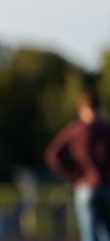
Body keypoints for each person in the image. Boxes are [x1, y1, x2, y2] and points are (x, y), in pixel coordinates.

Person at [45, 87, 110, 241]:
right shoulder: (106, 130)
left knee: (89, 236)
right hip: (107, 188)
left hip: (85, 188)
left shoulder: (76, 129)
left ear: (81, 109)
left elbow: (52, 155)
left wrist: (73, 176)